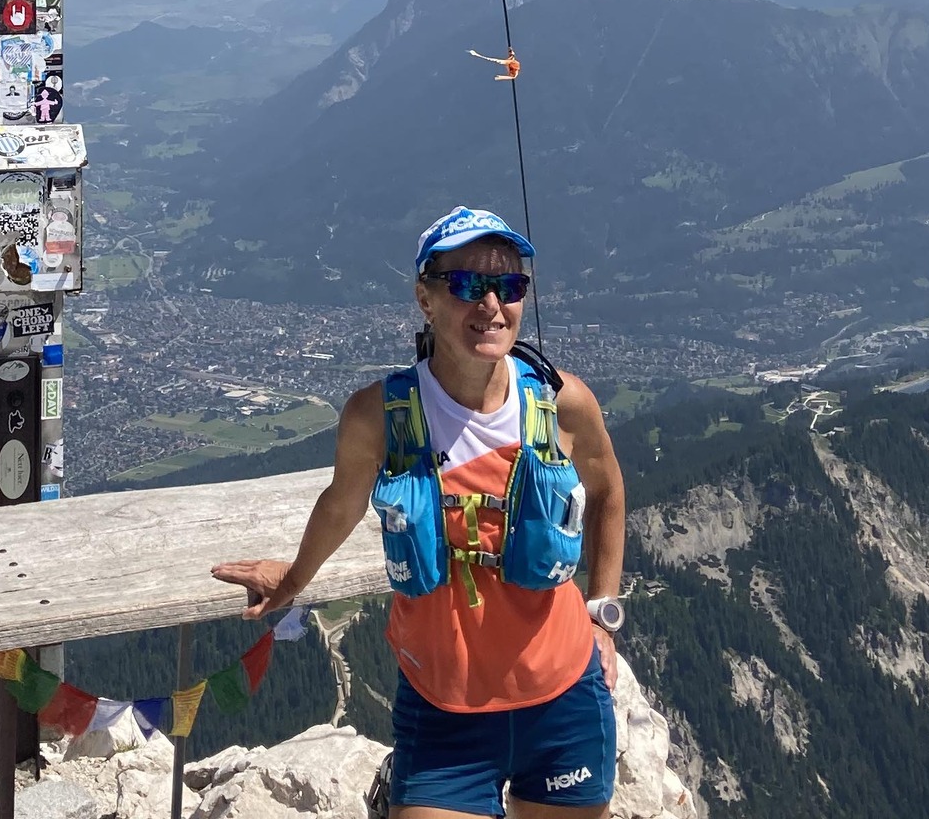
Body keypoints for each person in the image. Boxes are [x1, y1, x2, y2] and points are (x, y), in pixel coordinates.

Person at [212, 207, 626, 818]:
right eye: (465, 285)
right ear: (425, 300)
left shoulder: (563, 403)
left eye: (509, 286)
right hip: (443, 713)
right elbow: (341, 504)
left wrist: (603, 615)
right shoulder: (378, 416)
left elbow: (609, 494)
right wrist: (294, 580)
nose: (491, 305)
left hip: (562, 695)